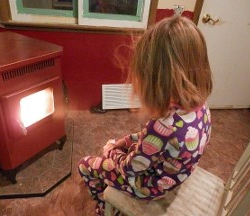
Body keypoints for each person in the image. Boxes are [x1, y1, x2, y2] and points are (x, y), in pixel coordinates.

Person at [78, 15, 213, 216]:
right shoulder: (200, 108)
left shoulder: (164, 126)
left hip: (148, 187)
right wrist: (124, 141)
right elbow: (150, 142)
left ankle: (104, 209)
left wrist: (110, 151)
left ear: (156, 80)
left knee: (86, 165)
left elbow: (130, 168)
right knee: (124, 147)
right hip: (175, 175)